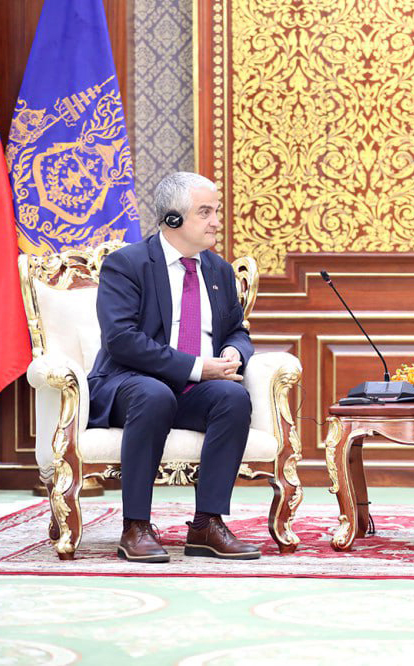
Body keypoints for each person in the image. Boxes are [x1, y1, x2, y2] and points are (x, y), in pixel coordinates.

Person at [88, 172, 260, 563]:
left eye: (216, 211)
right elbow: (121, 339)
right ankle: (135, 526)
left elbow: (237, 330)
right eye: (205, 212)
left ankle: (207, 525)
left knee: (233, 397)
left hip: (192, 390)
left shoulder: (218, 270)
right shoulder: (127, 264)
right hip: (130, 384)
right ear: (173, 219)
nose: (216, 221)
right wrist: (197, 367)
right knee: (154, 394)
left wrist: (234, 351)